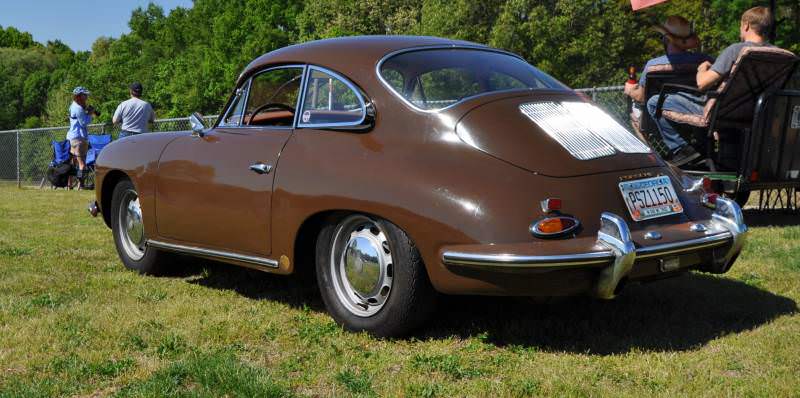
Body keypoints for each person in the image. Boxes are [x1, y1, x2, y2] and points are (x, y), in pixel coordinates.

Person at [648, 6, 775, 166]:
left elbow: (702, 83)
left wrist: (702, 69)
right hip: (757, 114)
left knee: (653, 102)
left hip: (722, 112)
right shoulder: (780, 55)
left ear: (746, 25)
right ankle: (702, 150)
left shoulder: (736, 50)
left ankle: (682, 149)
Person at [625, 16, 712, 105]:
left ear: (666, 39)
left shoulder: (652, 66)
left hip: (662, 116)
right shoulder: (706, 61)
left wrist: (630, 90)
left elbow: (642, 98)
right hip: (700, 113)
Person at [67, 86, 98, 189]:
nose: (87, 97)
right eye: (85, 95)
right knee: (82, 164)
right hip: (79, 138)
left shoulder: (73, 105)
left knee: (73, 163)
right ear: (79, 96)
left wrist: (86, 110)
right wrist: (89, 113)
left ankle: (69, 185)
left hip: (72, 137)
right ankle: (81, 187)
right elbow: (84, 122)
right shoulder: (79, 108)